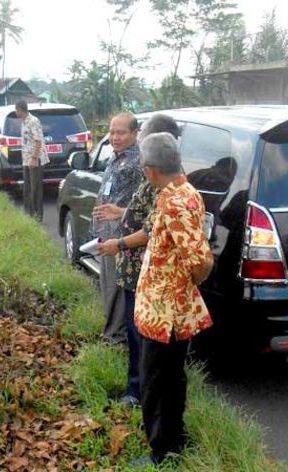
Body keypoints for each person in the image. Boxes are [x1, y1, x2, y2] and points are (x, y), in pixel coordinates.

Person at [130, 132, 214, 466]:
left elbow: (201, 259)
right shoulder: (183, 191)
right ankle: (174, 439)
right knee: (171, 378)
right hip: (166, 309)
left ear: (150, 170)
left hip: (165, 313)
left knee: (156, 382)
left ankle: (161, 452)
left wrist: (184, 284)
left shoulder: (176, 202)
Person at [96, 114, 181, 407]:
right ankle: (138, 388)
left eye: (141, 133)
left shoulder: (169, 189)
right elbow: (141, 214)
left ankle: (141, 392)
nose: (137, 139)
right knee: (137, 334)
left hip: (147, 273)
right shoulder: (152, 179)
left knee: (144, 336)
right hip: (135, 269)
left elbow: (151, 229)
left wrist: (117, 244)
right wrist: (121, 215)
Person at [91, 112, 142, 345]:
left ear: (134, 133)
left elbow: (143, 206)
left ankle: (115, 339)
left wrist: (120, 215)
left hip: (122, 238)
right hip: (107, 234)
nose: (115, 137)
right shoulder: (117, 157)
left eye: (121, 132)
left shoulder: (137, 163)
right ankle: (111, 332)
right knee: (108, 285)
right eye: (112, 132)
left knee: (117, 288)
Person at [15, 100, 49, 221]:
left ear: (20, 109)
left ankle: (37, 215)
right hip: (26, 159)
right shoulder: (23, 122)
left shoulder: (33, 121)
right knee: (27, 189)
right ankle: (28, 214)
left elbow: (38, 140)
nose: (15, 112)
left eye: (16, 109)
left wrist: (34, 158)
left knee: (36, 189)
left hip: (35, 159)